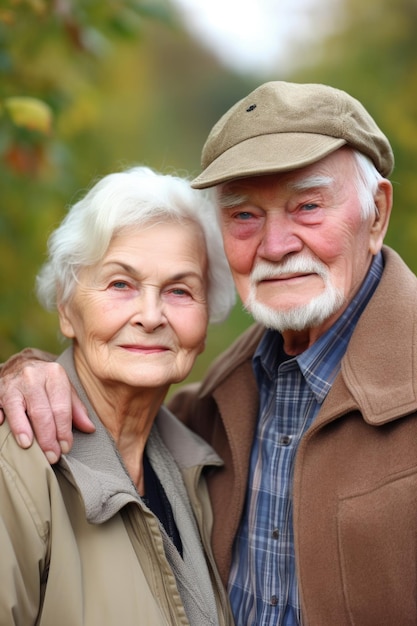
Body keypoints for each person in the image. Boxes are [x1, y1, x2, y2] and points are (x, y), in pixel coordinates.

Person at [1, 81, 417, 625]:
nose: (275, 245)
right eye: (245, 215)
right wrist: (25, 370)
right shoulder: (211, 412)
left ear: (377, 214)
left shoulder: (184, 441)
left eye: (308, 206)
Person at [0, 165, 236, 625]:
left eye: (180, 290)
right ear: (67, 309)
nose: (151, 316)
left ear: (206, 323)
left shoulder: (194, 467)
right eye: (121, 284)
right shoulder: (18, 466)